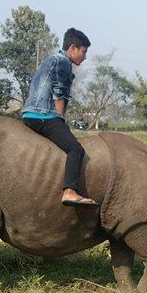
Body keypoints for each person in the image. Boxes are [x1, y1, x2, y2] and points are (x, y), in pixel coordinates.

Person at [21, 28, 97, 207]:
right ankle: (69, 191)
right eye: (84, 52)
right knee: (75, 149)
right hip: (43, 115)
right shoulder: (62, 62)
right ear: (73, 48)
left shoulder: (52, 59)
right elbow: (59, 94)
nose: (85, 57)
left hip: (30, 113)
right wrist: (60, 121)